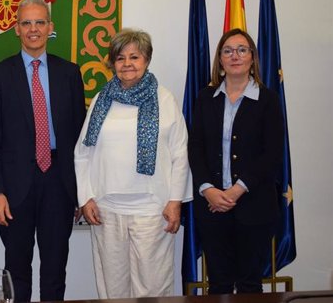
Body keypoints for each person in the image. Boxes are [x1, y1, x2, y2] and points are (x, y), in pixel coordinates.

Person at [0, 0, 86, 302]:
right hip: (14, 188)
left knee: (55, 270)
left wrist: (80, 190)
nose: (33, 29)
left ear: (50, 28)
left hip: (59, 184)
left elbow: (79, 140)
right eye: (26, 23)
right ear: (16, 29)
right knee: (16, 270)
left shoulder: (69, 74)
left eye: (40, 22)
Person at [74, 28, 192, 298]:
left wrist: (175, 201)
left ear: (147, 60)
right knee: (113, 288)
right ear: (113, 63)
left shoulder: (165, 99)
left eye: (134, 57)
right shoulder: (102, 100)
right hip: (106, 209)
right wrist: (86, 197)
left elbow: (179, 153)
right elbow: (83, 152)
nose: (127, 64)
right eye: (120, 58)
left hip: (152, 209)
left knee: (152, 288)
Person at [188, 28, 283, 294]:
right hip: (212, 206)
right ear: (220, 59)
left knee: (250, 284)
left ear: (252, 58)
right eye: (228, 50)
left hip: (255, 207)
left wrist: (237, 190)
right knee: (218, 283)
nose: (235, 56)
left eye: (242, 50)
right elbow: (195, 147)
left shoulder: (268, 100)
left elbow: (272, 153)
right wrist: (208, 189)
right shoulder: (205, 98)